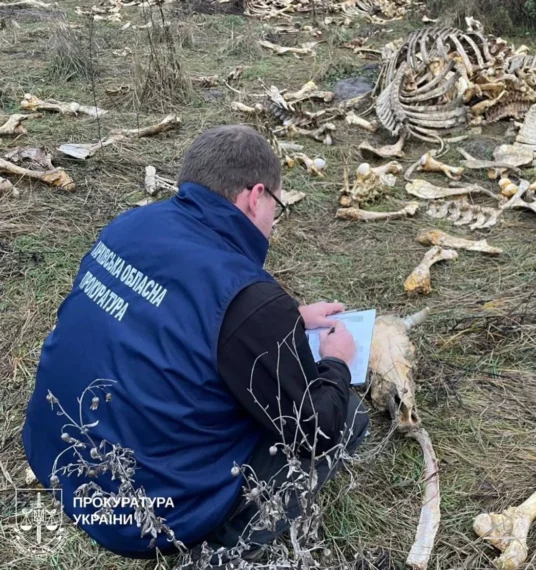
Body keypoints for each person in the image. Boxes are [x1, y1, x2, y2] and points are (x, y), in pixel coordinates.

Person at [21, 124, 370, 563]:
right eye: (275, 208)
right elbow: (315, 430)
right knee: (346, 417)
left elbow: (165, 315)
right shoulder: (250, 299)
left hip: (55, 457)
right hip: (141, 516)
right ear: (254, 196)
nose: (272, 222)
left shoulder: (132, 224)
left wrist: (290, 322)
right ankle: (220, 550)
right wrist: (336, 363)